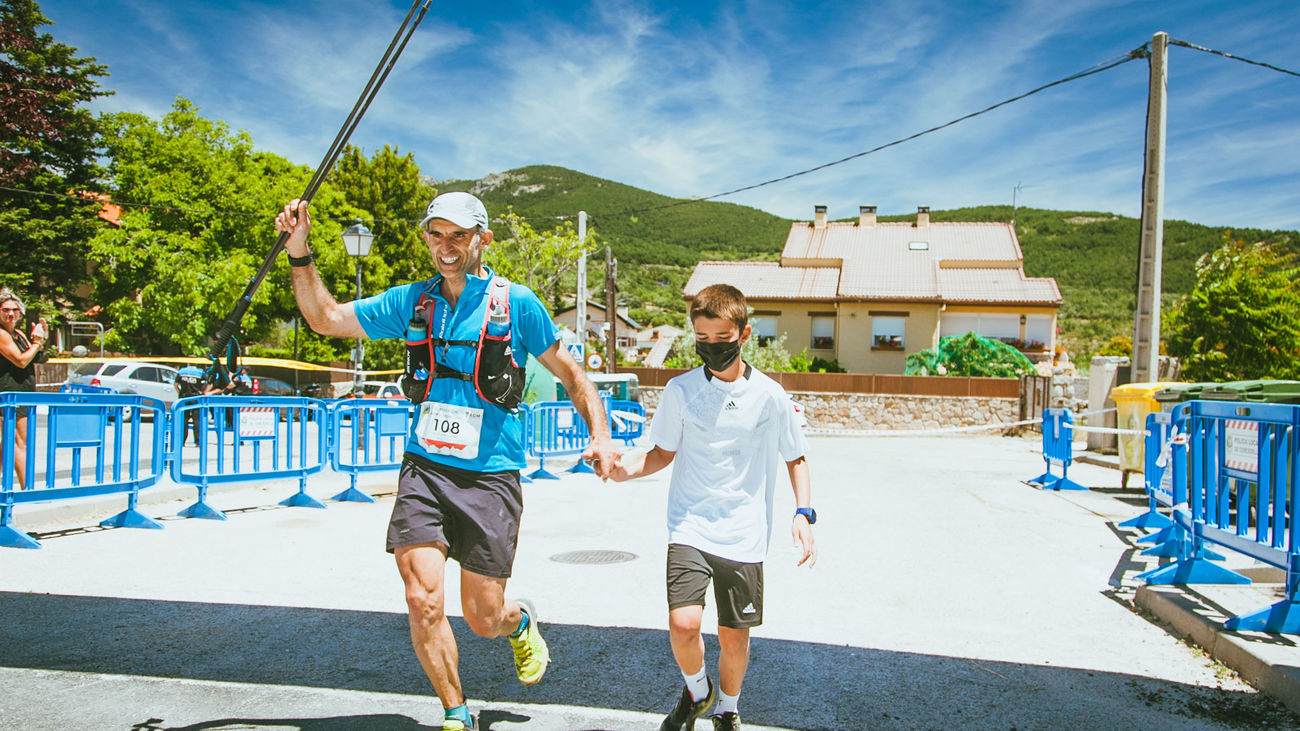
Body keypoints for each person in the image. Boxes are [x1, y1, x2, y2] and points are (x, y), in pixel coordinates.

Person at [274, 192, 619, 731]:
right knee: (421, 598)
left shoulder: (517, 303)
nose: (446, 246)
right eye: (436, 234)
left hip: (491, 475)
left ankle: (519, 620)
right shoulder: (413, 301)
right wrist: (300, 251)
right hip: (425, 469)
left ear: (482, 239)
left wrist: (599, 433)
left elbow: (573, 375)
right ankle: (455, 712)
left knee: (484, 618)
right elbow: (325, 318)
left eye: (458, 235)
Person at [610, 283, 817, 731]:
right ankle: (697, 692)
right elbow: (661, 453)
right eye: (701, 341)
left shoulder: (770, 396)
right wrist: (621, 469)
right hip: (690, 526)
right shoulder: (680, 391)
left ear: (743, 336)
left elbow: (795, 457)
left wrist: (803, 514)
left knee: (734, 639)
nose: (710, 350)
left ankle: (727, 709)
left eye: (720, 342)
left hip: (744, 533)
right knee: (683, 624)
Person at [0, 289, 48, 490]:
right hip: (11, 393)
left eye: (15, 310)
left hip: (24, 392)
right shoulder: (2, 334)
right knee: (21, 443)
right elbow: (20, 361)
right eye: (5, 310)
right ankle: (27, 490)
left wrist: (40, 340)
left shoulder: (17, 334)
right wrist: (36, 343)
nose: (11, 314)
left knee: (7, 446)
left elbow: (36, 357)